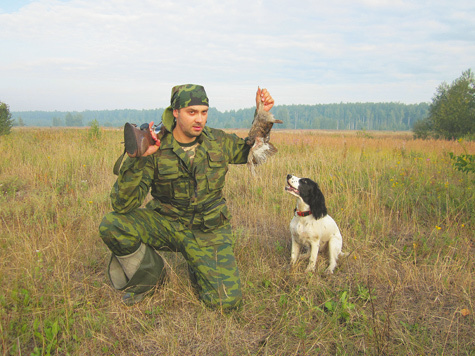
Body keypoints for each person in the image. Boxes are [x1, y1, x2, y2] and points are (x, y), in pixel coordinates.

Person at [99, 84, 274, 310]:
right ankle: (151, 276)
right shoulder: (156, 145)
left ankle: (198, 261)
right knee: (113, 224)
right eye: (191, 112)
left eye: (204, 112)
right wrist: (138, 158)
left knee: (225, 303)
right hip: (168, 224)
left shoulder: (218, 141)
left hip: (208, 229)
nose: (199, 119)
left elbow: (252, 153)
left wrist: (262, 117)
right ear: (175, 112)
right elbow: (122, 205)